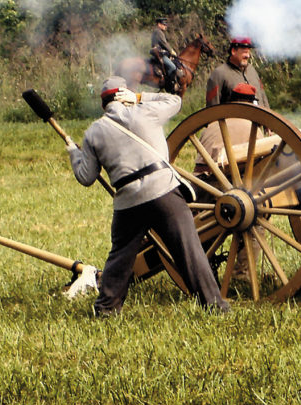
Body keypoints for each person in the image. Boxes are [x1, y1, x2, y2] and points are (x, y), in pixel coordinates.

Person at [70, 77, 229, 315]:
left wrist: (74, 153)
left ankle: (106, 309)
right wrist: (141, 97)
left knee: (119, 258)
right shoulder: (147, 112)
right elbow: (175, 101)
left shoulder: (94, 132)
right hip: (163, 191)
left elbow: (86, 177)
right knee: (190, 252)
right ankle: (215, 307)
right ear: (126, 95)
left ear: (103, 104)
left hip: (128, 202)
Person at [205, 37, 270, 109]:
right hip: (233, 119)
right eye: (245, 52)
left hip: (259, 118)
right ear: (233, 51)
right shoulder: (218, 74)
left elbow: (263, 97)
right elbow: (212, 108)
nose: (248, 56)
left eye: (248, 52)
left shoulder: (252, 70)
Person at [150, 18, 179, 88]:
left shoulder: (157, 32)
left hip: (159, 52)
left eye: (166, 25)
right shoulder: (158, 32)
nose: (165, 26)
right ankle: (168, 82)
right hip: (159, 53)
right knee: (172, 67)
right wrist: (172, 51)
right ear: (159, 24)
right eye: (164, 24)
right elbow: (164, 43)